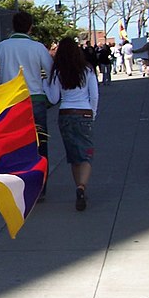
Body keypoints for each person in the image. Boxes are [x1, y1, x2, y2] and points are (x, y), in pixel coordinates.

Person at [0, 11, 53, 198]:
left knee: (12, 144)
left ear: (13, 25)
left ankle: (15, 185)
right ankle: (40, 187)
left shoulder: (0, 48)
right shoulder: (38, 48)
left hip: (10, 101)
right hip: (35, 100)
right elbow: (51, 72)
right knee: (40, 143)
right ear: (30, 27)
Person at [44, 37, 99, 211]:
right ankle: (82, 187)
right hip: (84, 112)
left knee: (74, 155)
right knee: (86, 154)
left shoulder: (58, 72)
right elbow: (94, 95)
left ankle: (78, 186)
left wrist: (44, 83)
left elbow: (53, 98)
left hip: (65, 113)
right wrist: (92, 113)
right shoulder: (87, 70)